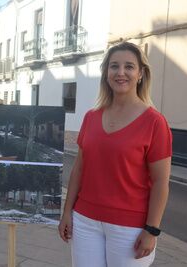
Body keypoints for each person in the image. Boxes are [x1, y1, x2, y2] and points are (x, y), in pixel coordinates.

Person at [58, 42, 172, 267]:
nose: (121, 73)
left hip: (130, 228)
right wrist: (67, 212)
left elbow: (161, 182)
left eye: (129, 67)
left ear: (140, 74)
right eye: (114, 66)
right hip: (84, 222)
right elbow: (79, 169)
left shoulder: (154, 122)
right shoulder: (91, 117)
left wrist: (152, 230)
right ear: (106, 74)